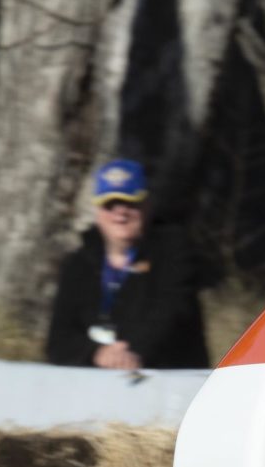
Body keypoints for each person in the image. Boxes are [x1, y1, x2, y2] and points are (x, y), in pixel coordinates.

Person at [44, 159, 211, 371]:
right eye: (110, 205)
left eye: (130, 203)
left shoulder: (174, 252)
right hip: (93, 382)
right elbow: (58, 341)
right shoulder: (78, 264)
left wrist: (131, 351)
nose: (120, 213)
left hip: (167, 379)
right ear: (98, 212)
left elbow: (170, 314)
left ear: (147, 205)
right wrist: (97, 353)